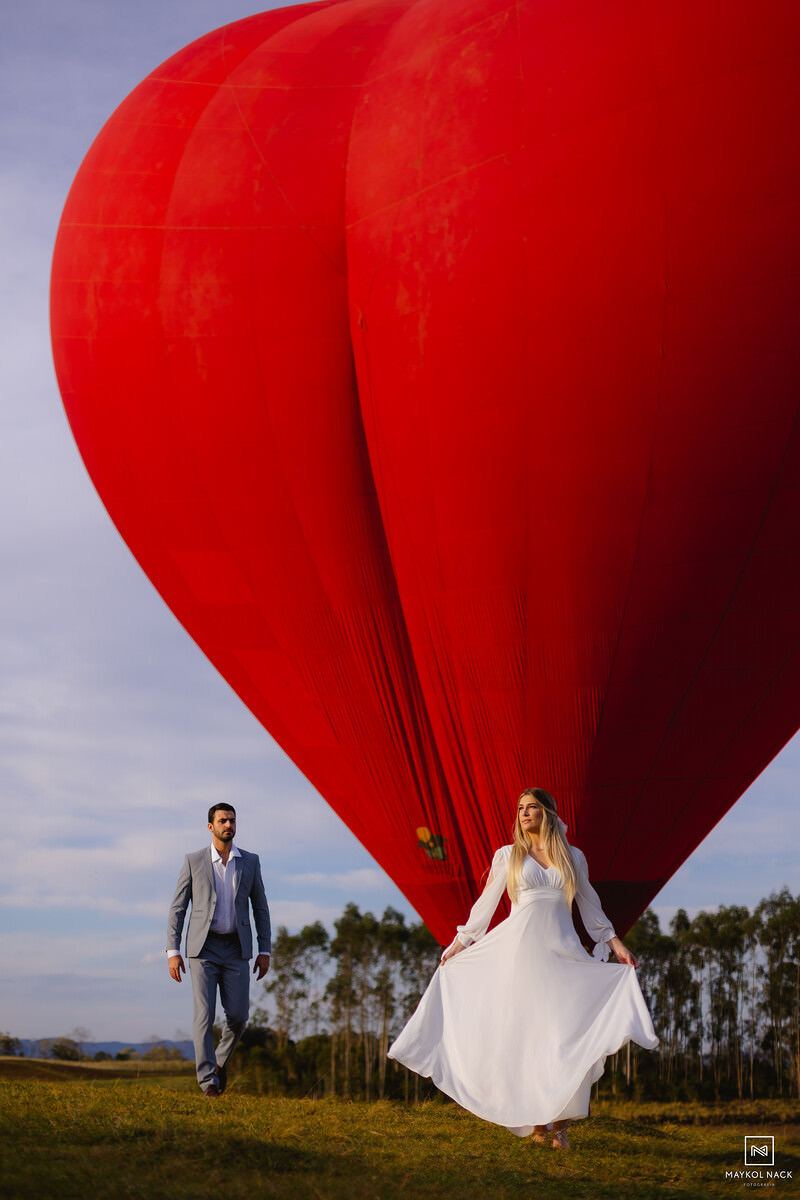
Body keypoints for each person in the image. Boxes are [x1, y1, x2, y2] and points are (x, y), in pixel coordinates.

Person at [388, 787, 658, 1148]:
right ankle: (537, 1128)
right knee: (526, 1039)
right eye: (520, 808)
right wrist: (461, 942)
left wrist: (615, 944)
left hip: (562, 956)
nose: (524, 813)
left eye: (532, 807)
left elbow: (590, 906)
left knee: (561, 1038)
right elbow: (485, 905)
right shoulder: (508, 856)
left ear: (548, 812)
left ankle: (558, 1128)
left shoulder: (573, 857)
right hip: (517, 955)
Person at [167, 804, 271, 1097]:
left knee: (238, 1016)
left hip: (237, 948)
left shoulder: (249, 861)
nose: (229, 824)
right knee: (204, 1016)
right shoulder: (194, 861)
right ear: (210, 826)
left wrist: (265, 949)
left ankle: (219, 1063)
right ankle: (208, 1082)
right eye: (223, 820)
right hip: (203, 948)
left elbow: (260, 908)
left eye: (232, 820)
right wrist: (172, 951)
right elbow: (178, 908)